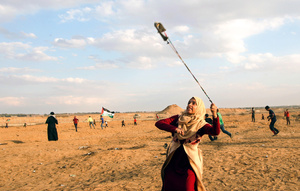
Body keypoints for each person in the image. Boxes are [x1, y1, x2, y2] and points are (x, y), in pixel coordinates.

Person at [155, 96, 220, 191]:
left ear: (199, 107)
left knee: (188, 187)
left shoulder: (201, 124)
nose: (190, 105)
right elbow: (159, 123)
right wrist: (175, 129)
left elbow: (215, 132)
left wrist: (214, 114)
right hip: (174, 160)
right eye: (189, 102)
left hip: (190, 163)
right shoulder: (179, 119)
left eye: (193, 103)